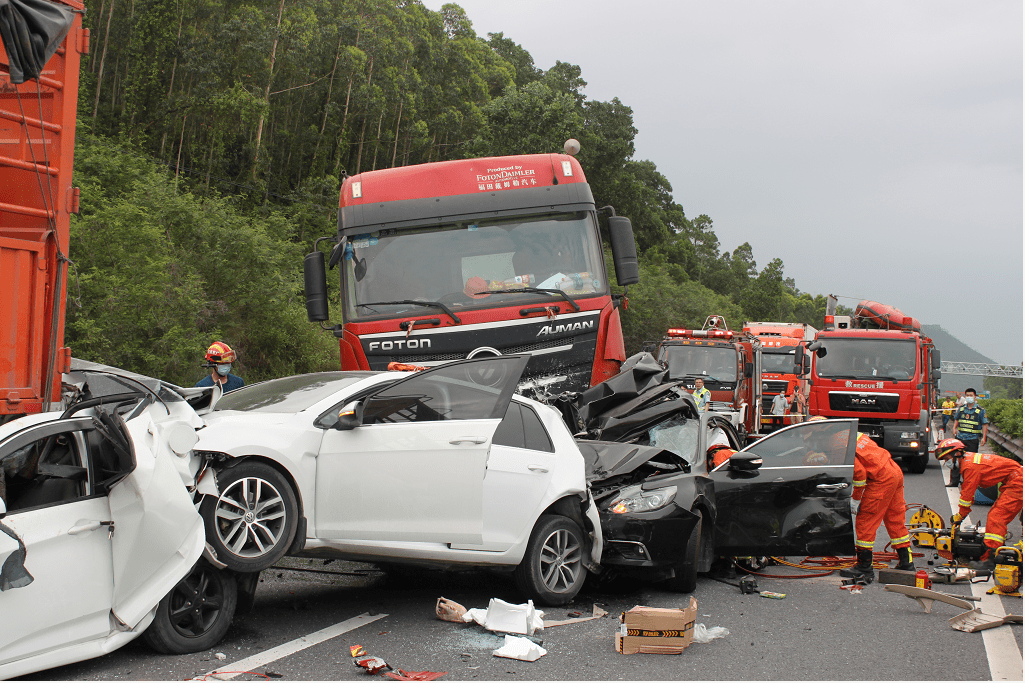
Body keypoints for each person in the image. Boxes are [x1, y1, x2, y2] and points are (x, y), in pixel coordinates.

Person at [935, 438, 1023, 571]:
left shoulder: (969, 467)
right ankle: (995, 549)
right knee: (995, 515)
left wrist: (960, 516)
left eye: (947, 458)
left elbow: (967, 496)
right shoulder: (969, 460)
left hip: (1018, 482)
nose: (946, 463)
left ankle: (990, 560)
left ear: (957, 453)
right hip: (1014, 479)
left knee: (997, 517)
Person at [839, 432, 914, 580]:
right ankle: (907, 563)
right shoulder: (851, 433)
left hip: (880, 478)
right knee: (895, 519)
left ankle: (864, 567)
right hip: (893, 471)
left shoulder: (837, 445)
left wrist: (856, 498)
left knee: (866, 521)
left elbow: (859, 474)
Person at [950, 388, 988, 455]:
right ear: (965, 397)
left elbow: (985, 424)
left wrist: (984, 437)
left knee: (970, 458)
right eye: (967, 395)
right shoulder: (961, 409)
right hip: (960, 438)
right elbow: (957, 419)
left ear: (975, 397)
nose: (969, 397)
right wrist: (954, 428)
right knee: (958, 457)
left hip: (972, 439)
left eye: (971, 395)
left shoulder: (981, 410)